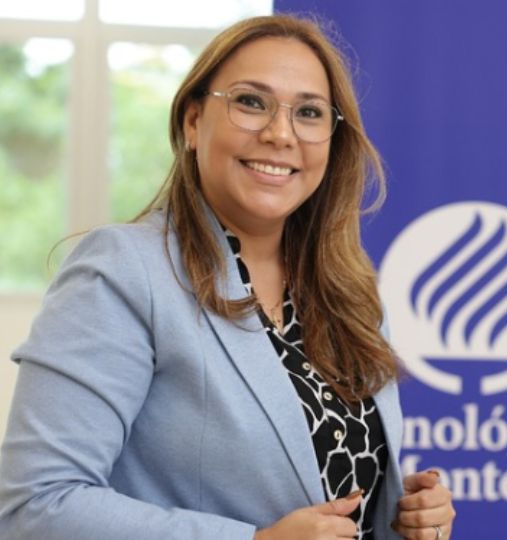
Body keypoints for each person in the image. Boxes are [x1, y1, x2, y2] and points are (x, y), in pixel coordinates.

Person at [0, 14, 455, 540]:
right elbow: (36, 506)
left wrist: (407, 519)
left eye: (309, 112)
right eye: (251, 102)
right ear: (193, 121)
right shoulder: (124, 270)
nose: (280, 133)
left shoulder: (348, 289)